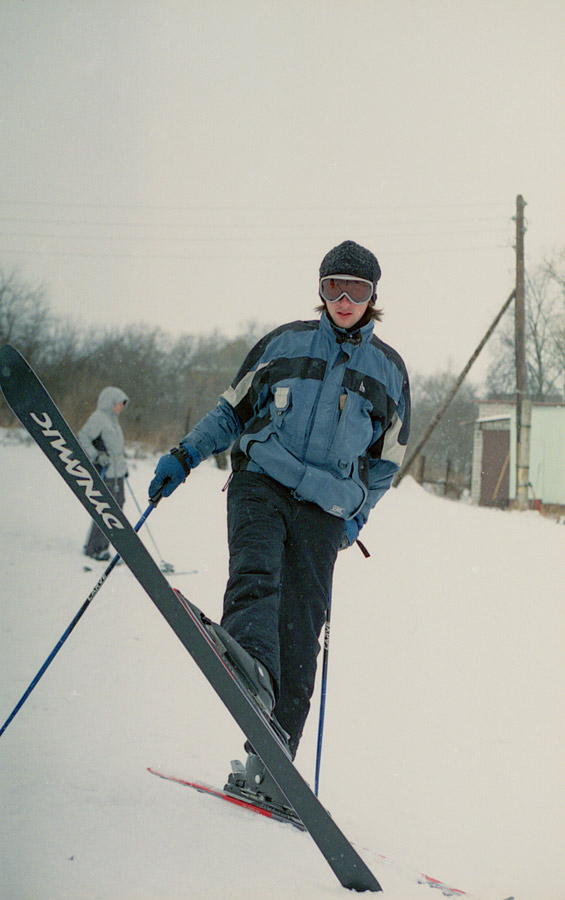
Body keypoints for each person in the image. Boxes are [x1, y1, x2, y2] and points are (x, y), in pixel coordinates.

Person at [149, 240, 410, 804]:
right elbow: (231, 411)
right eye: (333, 287)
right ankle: (249, 666)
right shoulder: (283, 344)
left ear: (373, 297)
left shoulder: (388, 372)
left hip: (326, 509)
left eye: (357, 290)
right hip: (261, 482)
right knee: (256, 576)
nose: (344, 299)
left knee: (300, 635)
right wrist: (186, 455)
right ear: (319, 290)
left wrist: (354, 520)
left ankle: (273, 764)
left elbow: (387, 461)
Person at [78, 386, 129, 561]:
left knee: (117, 507)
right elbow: (83, 438)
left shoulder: (114, 421)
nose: (121, 407)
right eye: (119, 403)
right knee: (105, 509)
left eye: (123, 404)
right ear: (110, 402)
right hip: (105, 472)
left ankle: (104, 547)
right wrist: (96, 456)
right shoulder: (98, 418)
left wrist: (123, 468)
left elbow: (117, 449)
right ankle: (94, 548)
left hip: (117, 473)